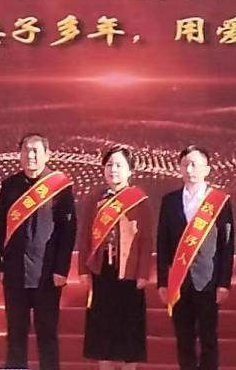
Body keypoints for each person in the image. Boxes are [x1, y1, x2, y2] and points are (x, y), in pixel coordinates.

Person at [0, 133, 77, 370]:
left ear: (47, 155)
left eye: (36, 151)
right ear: (19, 154)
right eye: (26, 150)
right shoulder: (10, 185)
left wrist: (61, 269)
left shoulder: (59, 186)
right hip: (15, 272)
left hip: (47, 274)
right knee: (15, 335)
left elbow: (68, 231)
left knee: (47, 335)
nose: (30, 155)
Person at [156, 146, 234, 370]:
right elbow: (162, 243)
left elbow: (226, 246)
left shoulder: (219, 201)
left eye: (194, 165)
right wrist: (162, 282)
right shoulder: (169, 201)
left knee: (208, 338)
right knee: (184, 339)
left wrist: (223, 283)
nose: (189, 170)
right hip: (178, 281)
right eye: (185, 165)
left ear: (207, 169)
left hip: (207, 281)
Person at [79, 145, 151, 370]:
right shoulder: (95, 199)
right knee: (102, 331)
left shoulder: (139, 200)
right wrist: (83, 270)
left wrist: (143, 273)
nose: (113, 170)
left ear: (130, 170)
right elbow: (85, 237)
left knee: (129, 331)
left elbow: (146, 239)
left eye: (119, 165)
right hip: (102, 271)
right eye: (109, 165)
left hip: (129, 273)